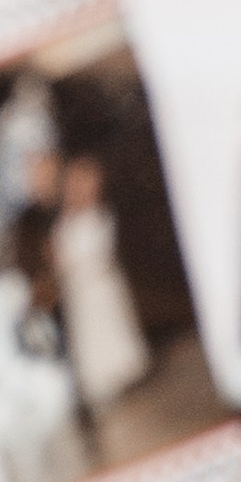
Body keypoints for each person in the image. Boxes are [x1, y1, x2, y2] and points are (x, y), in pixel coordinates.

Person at [51, 151, 153, 423]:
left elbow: (98, 251)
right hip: (81, 291)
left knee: (109, 326)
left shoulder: (99, 217)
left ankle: (121, 372)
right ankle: (100, 383)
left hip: (99, 285)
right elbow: (62, 255)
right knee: (89, 333)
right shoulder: (66, 223)